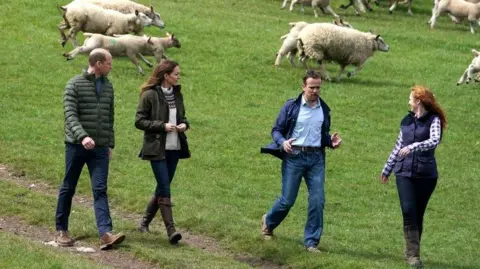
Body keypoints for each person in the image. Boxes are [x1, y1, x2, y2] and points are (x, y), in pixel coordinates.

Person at [260, 70, 342, 252]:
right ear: (303, 86)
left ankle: (311, 242)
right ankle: (268, 222)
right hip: (294, 157)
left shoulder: (324, 110)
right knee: (287, 200)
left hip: (316, 159)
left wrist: (330, 141)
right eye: (312, 87)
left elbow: (321, 136)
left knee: (318, 200)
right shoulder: (291, 107)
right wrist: (283, 142)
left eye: (318, 87)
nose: (315, 91)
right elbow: (276, 130)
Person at [55, 48, 125, 250]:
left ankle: (105, 234)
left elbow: (110, 117)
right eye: (109, 63)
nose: (112, 66)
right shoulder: (74, 85)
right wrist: (82, 136)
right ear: (98, 63)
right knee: (69, 186)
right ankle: (62, 230)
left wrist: (109, 143)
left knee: (100, 189)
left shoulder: (109, 87)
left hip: (100, 149)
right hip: (76, 146)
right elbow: (70, 115)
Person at [380, 85, 447, 268]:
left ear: (418, 101)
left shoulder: (434, 120)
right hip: (404, 173)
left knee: (418, 214)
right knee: (408, 211)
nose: (408, 101)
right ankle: (413, 256)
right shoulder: (406, 121)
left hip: (426, 175)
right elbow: (398, 146)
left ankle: (413, 251)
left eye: (410, 98)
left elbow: (433, 141)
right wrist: (387, 169)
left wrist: (413, 147)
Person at [135, 60, 190, 245]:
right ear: (166, 75)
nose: (178, 76)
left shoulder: (177, 94)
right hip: (157, 149)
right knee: (165, 188)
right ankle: (171, 230)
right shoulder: (149, 94)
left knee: (161, 188)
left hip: (175, 148)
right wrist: (162, 126)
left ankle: (144, 222)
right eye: (176, 74)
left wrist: (184, 125)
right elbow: (139, 121)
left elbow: (183, 117)